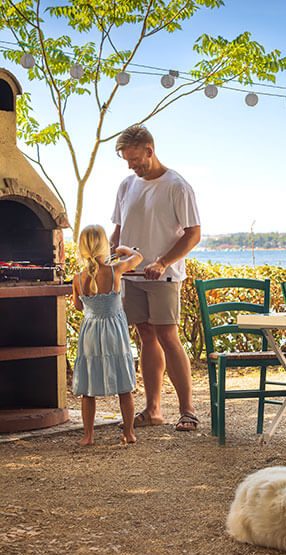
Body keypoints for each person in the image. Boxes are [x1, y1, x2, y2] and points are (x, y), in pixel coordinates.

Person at [110, 124, 202, 432]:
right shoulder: (126, 185)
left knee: (167, 336)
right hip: (131, 276)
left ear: (150, 150)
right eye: (127, 160)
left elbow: (193, 235)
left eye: (135, 159)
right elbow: (119, 229)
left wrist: (162, 262)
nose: (131, 165)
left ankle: (188, 411)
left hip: (163, 276)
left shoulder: (177, 186)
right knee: (146, 336)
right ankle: (153, 410)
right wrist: (111, 258)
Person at [72, 225, 143, 445]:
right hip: (114, 332)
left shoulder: (77, 279)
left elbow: (78, 306)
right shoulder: (116, 270)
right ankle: (129, 433)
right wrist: (124, 249)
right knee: (124, 385)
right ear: (105, 246)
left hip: (91, 333)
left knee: (88, 388)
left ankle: (88, 436)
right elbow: (138, 257)